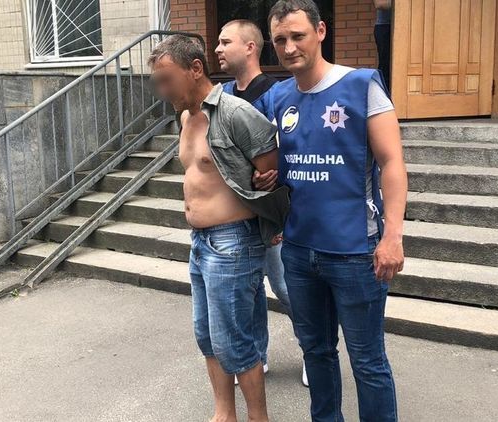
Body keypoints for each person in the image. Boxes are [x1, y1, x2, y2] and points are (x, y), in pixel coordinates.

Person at [260, 1, 408, 420]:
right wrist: (266, 178)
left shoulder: (361, 85)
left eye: (298, 36)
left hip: (356, 251)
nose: (289, 48)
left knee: (368, 361)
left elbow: (392, 163)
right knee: (316, 352)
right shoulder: (278, 97)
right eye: (280, 40)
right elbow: (264, 155)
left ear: (321, 31)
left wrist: (392, 236)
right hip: (298, 251)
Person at [148, 35, 289, 422]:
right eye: (157, 82)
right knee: (207, 335)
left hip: (234, 242)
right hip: (201, 242)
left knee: (234, 341)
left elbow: (274, 175)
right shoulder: (184, 117)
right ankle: (224, 413)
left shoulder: (235, 113)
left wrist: (270, 208)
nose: (162, 90)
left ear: (195, 69)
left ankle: (258, 418)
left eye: (167, 79)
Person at [214, 19, 307, 387]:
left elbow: (292, 144)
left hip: (270, 210)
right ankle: (257, 356)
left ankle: (314, 350)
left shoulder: (277, 92)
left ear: (250, 47)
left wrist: (276, 172)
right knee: (249, 290)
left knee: (284, 285)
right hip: (236, 214)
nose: (218, 49)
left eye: (226, 42)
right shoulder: (220, 94)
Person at [373, 0, 392, 90]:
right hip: (385, 26)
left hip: (408, 26)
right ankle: (383, 94)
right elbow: (380, 4)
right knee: (385, 67)